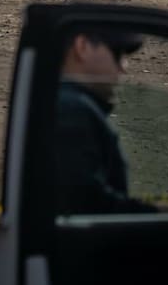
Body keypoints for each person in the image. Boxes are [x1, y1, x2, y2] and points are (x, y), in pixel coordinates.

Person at [55, 30, 158, 215]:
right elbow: (92, 207)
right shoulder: (73, 110)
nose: (123, 68)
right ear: (83, 47)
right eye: (117, 54)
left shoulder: (64, 102)